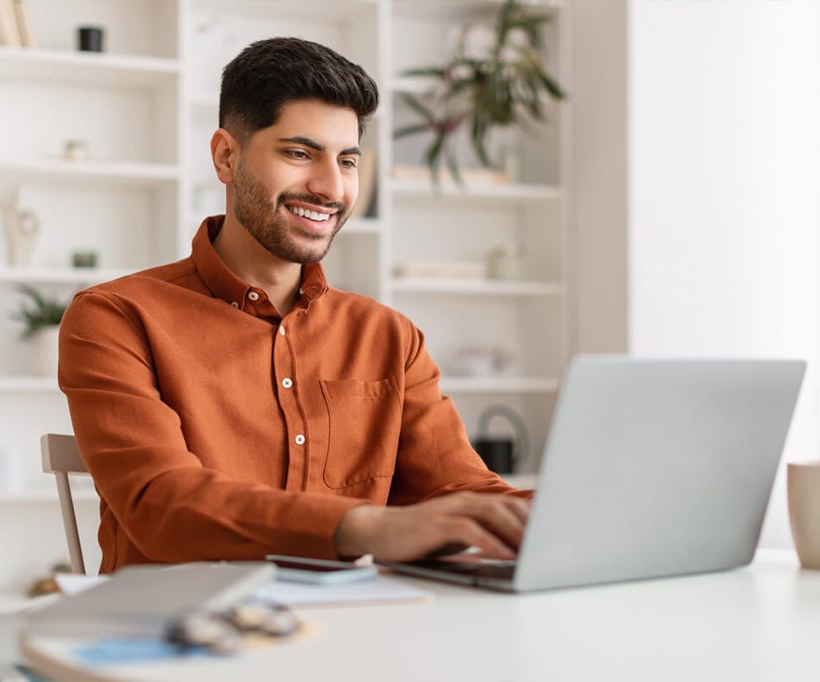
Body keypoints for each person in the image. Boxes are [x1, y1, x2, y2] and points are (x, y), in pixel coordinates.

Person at [58, 37, 530, 574]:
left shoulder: (390, 338)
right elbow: (162, 504)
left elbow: (462, 491)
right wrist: (368, 527)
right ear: (226, 156)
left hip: (349, 631)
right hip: (175, 642)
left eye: (347, 161)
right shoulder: (115, 317)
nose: (331, 188)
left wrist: (582, 516)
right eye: (299, 153)